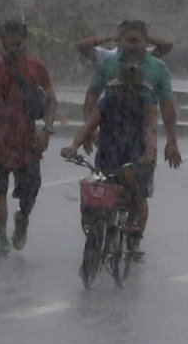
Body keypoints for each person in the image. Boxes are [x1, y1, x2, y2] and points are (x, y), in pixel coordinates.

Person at [79, 20, 181, 257]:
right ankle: (98, 231)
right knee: (102, 187)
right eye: (127, 40)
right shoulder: (108, 64)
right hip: (110, 137)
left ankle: (135, 239)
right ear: (120, 41)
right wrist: (88, 131)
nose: (132, 46)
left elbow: (166, 107)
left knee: (138, 192)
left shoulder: (157, 68)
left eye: (137, 40)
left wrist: (172, 141)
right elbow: (92, 98)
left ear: (146, 42)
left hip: (142, 139)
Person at [0, 18, 55, 254]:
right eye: (9, 45)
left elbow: (52, 100)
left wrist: (47, 130)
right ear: (2, 43)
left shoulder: (37, 68)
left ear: (24, 42)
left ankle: (22, 217)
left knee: (30, 189)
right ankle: (2, 234)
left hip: (27, 141)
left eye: (18, 45)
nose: (14, 49)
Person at [64, 57, 156, 248]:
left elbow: (150, 131)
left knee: (138, 194)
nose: (129, 92)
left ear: (140, 89)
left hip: (135, 159)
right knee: (92, 191)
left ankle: (135, 237)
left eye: (134, 88)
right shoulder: (107, 103)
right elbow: (89, 125)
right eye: (125, 87)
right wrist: (74, 147)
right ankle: (92, 227)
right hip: (108, 157)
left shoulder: (146, 105)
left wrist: (148, 154)